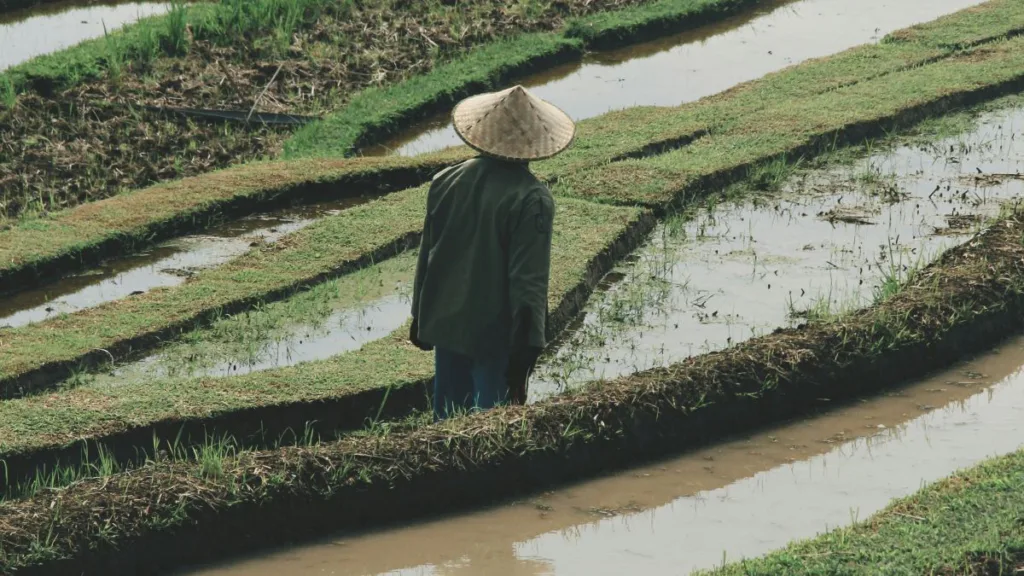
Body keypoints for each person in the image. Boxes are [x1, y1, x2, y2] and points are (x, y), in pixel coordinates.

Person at [409, 85, 576, 420]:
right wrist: (526, 352)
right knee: (493, 426)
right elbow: (528, 283)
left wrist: (419, 318)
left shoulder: (446, 180)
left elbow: (427, 256)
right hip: (495, 337)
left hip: (447, 325)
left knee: (448, 424)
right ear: (534, 144)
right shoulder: (532, 200)